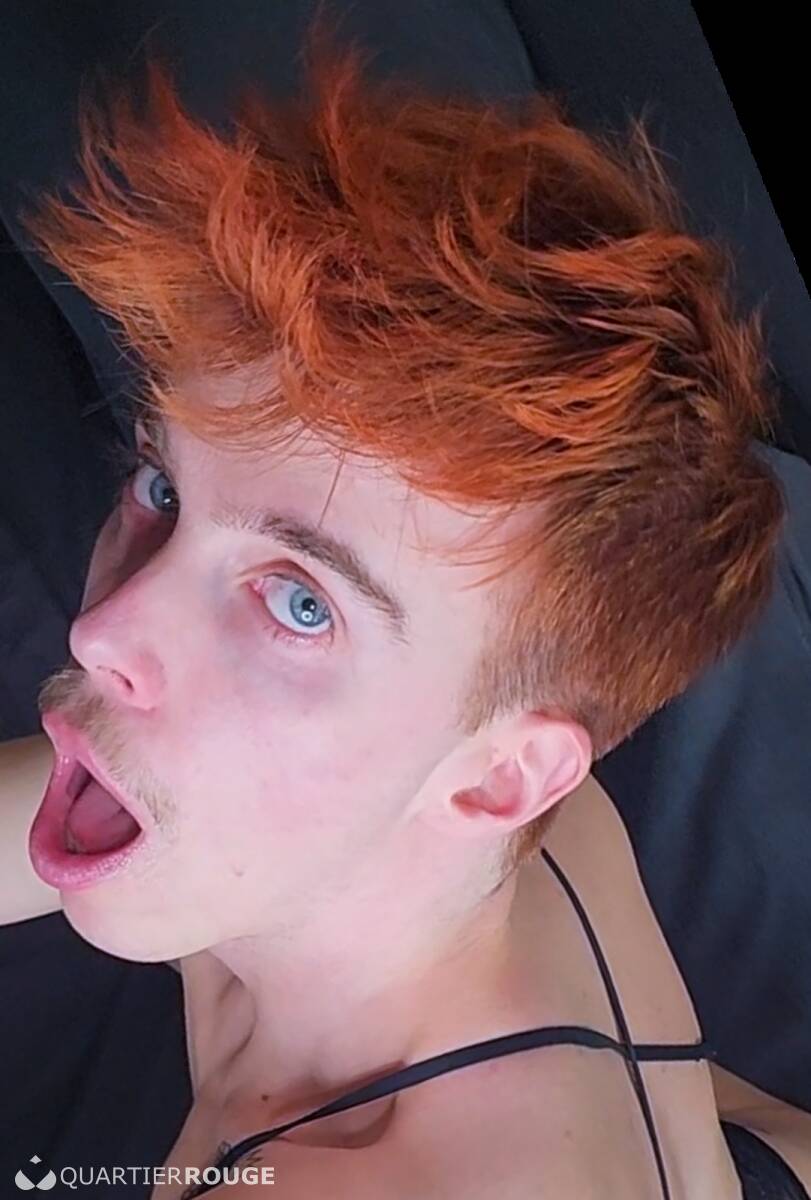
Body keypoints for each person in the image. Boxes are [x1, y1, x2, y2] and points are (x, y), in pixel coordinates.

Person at [4, 17, 809, 1198]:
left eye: (299, 604)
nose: (103, 632)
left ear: (501, 778)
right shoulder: (500, 837)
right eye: (163, 488)